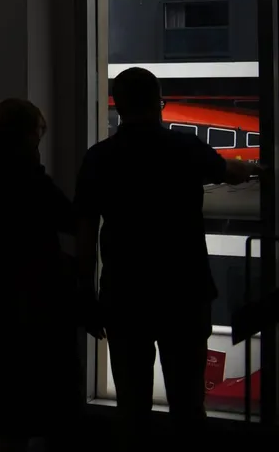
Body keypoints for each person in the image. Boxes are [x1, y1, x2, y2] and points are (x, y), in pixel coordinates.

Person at [76, 67, 257, 448]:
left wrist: (86, 298)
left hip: (125, 294)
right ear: (158, 103)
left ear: (119, 106)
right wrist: (255, 170)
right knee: (188, 403)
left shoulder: (98, 158)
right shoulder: (185, 148)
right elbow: (231, 172)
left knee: (132, 405)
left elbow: (85, 234)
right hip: (184, 292)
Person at [0, 100, 77, 452]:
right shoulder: (28, 178)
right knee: (32, 382)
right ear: (30, 134)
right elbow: (69, 220)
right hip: (32, 297)